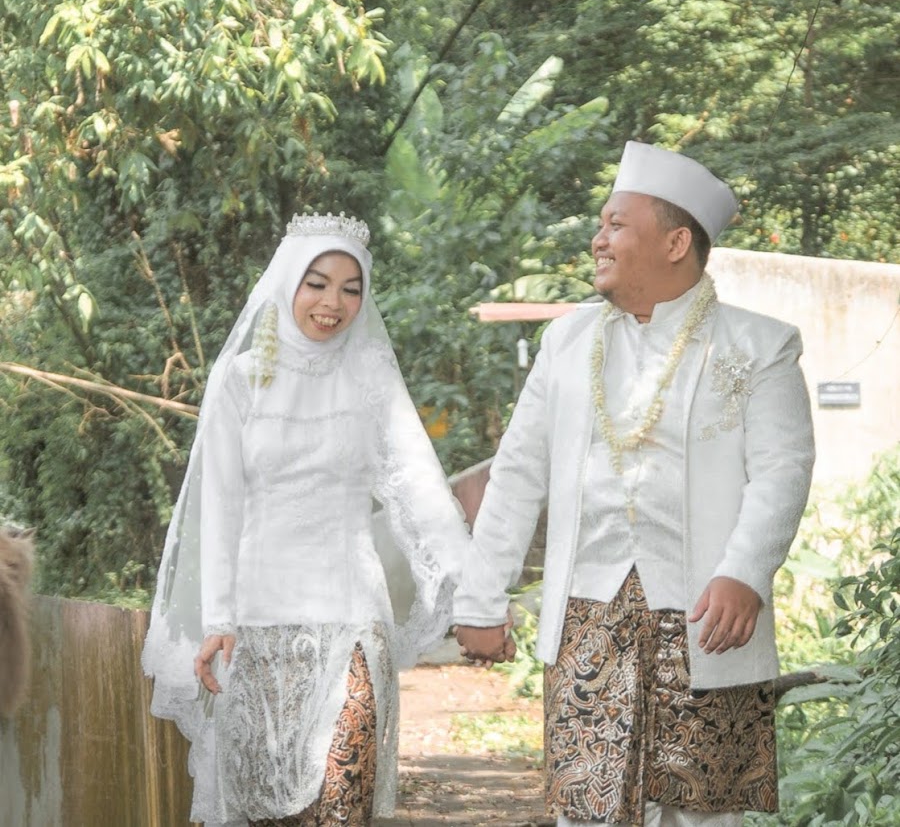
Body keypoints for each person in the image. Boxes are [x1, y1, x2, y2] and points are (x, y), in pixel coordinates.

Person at [454, 141, 815, 827]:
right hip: (587, 617)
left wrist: (744, 573)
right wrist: (479, 597)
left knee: (703, 814)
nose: (598, 239)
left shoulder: (760, 346)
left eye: (616, 224)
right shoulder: (567, 342)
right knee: (585, 811)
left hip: (709, 618)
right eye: (601, 224)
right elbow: (518, 471)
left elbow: (782, 471)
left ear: (676, 243)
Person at [142, 212, 470, 827]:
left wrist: (474, 591)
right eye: (317, 284)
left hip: (352, 620)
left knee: (343, 803)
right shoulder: (241, 380)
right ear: (288, 282)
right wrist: (219, 619)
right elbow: (220, 506)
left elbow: (420, 486)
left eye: (351, 289)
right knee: (268, 812)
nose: (332, 303)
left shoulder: (372, 378)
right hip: (256, 628)